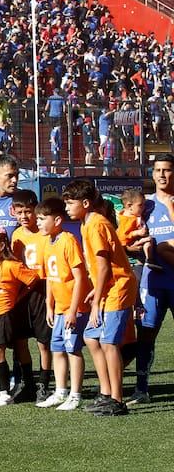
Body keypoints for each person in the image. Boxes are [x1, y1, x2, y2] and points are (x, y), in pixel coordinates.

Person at [62, 180, 136, 416]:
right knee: (91, 338)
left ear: (85, 203)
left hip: (118, 288)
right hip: (107, 288)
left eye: (70, 203)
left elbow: (105, 267)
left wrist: (96, 301)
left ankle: (117, 399)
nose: (66, 208)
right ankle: (105, 393)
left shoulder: (96, 224)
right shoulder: (86, 223)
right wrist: (96, 290)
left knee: (108, 342)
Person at [34, 197, 90, 411]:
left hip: (72, 309)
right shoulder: (47, 242)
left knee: (72, 350)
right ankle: (60, 392)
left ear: (57, 220)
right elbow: (49, 277)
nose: (38, 223)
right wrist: (49, 305)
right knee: (57, 349)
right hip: (58, 310)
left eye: (41, 218)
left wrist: (73, 310)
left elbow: (79, 278)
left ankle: (75, 394)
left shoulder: (68, 241)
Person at [0, 227, 39, 407]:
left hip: (3, 314)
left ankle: (5, 392)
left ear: (2, 246)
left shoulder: (12, 265)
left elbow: (33, 279)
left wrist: (17, 297)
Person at [131, 153, 174, 404]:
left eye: (167, 170)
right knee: (146, 334)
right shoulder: (144, 205)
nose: (161, 175)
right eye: (158, 170)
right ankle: (141, 388)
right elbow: (129, 240)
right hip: (152, 281)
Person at [10, 189, 53, 403]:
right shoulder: (17, 235)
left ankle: (44, 384)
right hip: (22, 292)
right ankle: (26, 382)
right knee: (20, 340)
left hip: (43, 290)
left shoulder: (45, 232)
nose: (24, 217)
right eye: (19, 212)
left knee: (44, 341)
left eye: (28, 211)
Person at [117, 188, 160, 271]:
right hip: (130, 245)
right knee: (148, 240)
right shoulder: (127, 219)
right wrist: (137, 233)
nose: (144, 207)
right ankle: (149, 260)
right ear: (129, 206)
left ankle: (147, 260)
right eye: (140, 205)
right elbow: (123, 236)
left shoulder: (134, 215)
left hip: (136, 245)